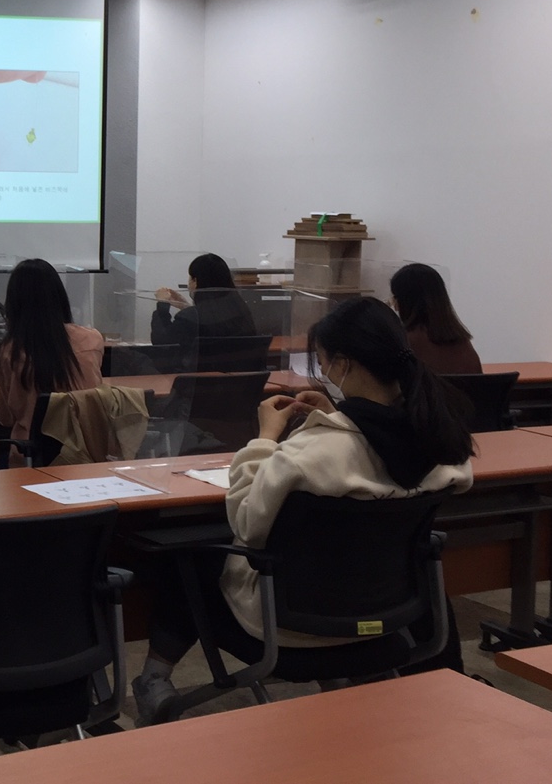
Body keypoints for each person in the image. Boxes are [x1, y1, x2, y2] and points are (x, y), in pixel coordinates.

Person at [130, 297, 475, 725]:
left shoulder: (306, 455)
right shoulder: (442, 445)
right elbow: (371, 457)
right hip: (389, 617)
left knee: (185, 558)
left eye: (324, 361)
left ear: (343, 364)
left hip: (290, 629)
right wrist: (339, 421)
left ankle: (153, 680)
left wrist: (264, 439)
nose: (324, 371)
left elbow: (247, 525)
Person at [0, 258, 104, 463]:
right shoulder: (92, 339)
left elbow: (5, 418)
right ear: (59, 296)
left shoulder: (8, 352)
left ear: (14, 303)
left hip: (32, 459)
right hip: (86, 455)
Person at [151, 252, 257, 368]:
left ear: (195, 281)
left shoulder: (190, 318)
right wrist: (187, 308)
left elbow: (162, 342)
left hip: (198, 378)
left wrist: (162, 305)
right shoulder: (241, 311)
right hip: (240, 377)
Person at [390, 263, 482, 374]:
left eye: (395, 298)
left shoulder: (404, 343)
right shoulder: (464, 344)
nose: (394, 306)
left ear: (404, 301)